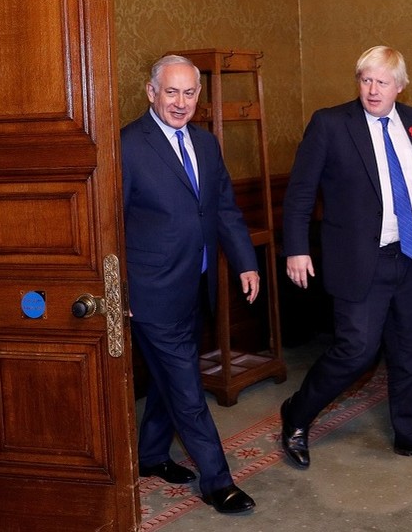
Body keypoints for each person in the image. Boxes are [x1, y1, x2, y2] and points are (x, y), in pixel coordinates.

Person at [279, 45, 412, 468]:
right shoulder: (330, 124)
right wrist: (297, 249)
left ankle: (411, 435)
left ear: (400, 86)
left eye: (382, 82)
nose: (372, 90)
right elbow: (301, 192)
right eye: (365, 80)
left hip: (409, 257)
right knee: (356, 352)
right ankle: (297, 415)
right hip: (361, 260)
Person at [120, 54, 260, 514]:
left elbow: (222, 208)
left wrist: (246, 262)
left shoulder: (205, 142)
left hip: (195, 284)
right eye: (172, 92)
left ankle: (152, 455)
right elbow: (109, 226)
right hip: (150, 291)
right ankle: (218, 481)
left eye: (190, 93)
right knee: (185, 385)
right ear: (151, 92)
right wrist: (120, 290)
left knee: (168, 377)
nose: (181, 103)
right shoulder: (126, 145)